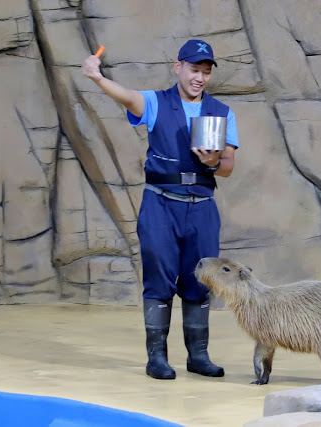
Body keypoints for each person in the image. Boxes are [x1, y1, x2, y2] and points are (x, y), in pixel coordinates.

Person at [81, 39, 239, 379]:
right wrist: (96, 77)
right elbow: (127, 96)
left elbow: (227, 166)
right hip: (161, 203)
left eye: (206, 72)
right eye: (195, 70)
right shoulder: (156, 103)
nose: (200, 78)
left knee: (200, 280)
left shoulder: (222, 113)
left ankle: (198, 355)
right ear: (178, 66)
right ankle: (157, 357)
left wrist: (213, 162)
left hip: (201, 207)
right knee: (159, 279)